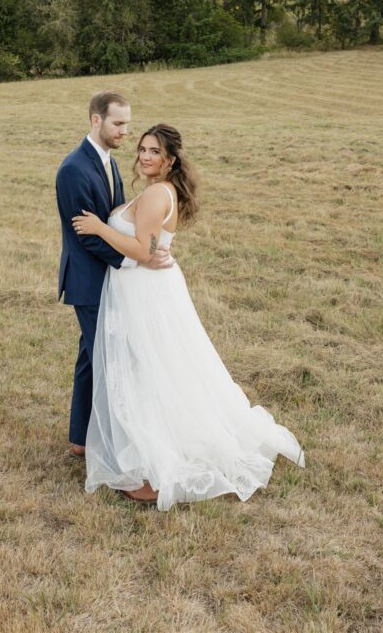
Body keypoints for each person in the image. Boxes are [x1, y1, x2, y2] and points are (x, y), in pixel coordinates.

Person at [71, 123, 306, 510]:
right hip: (145, 289)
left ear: (170, 160)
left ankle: (153, 462)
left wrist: (99, 227)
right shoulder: (161, 191)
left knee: (147, 370)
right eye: (142, 149)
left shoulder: (155, 196)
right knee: (153, 367)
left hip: (144, 291)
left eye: (154, 152)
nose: (145, 156)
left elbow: (144, 252)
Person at [55, 92, 174, 461]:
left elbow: (111, 217)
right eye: (118, 124)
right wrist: (136, 259)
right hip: (89, 281)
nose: (125, 132)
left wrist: (144, 245)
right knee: (111, 362)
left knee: (91, 359)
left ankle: (80, 438)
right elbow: (84, 233)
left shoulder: (107, 161)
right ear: (96, 120)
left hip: (110, 277)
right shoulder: (75, 168)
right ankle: (116, 450)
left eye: (127, 124)